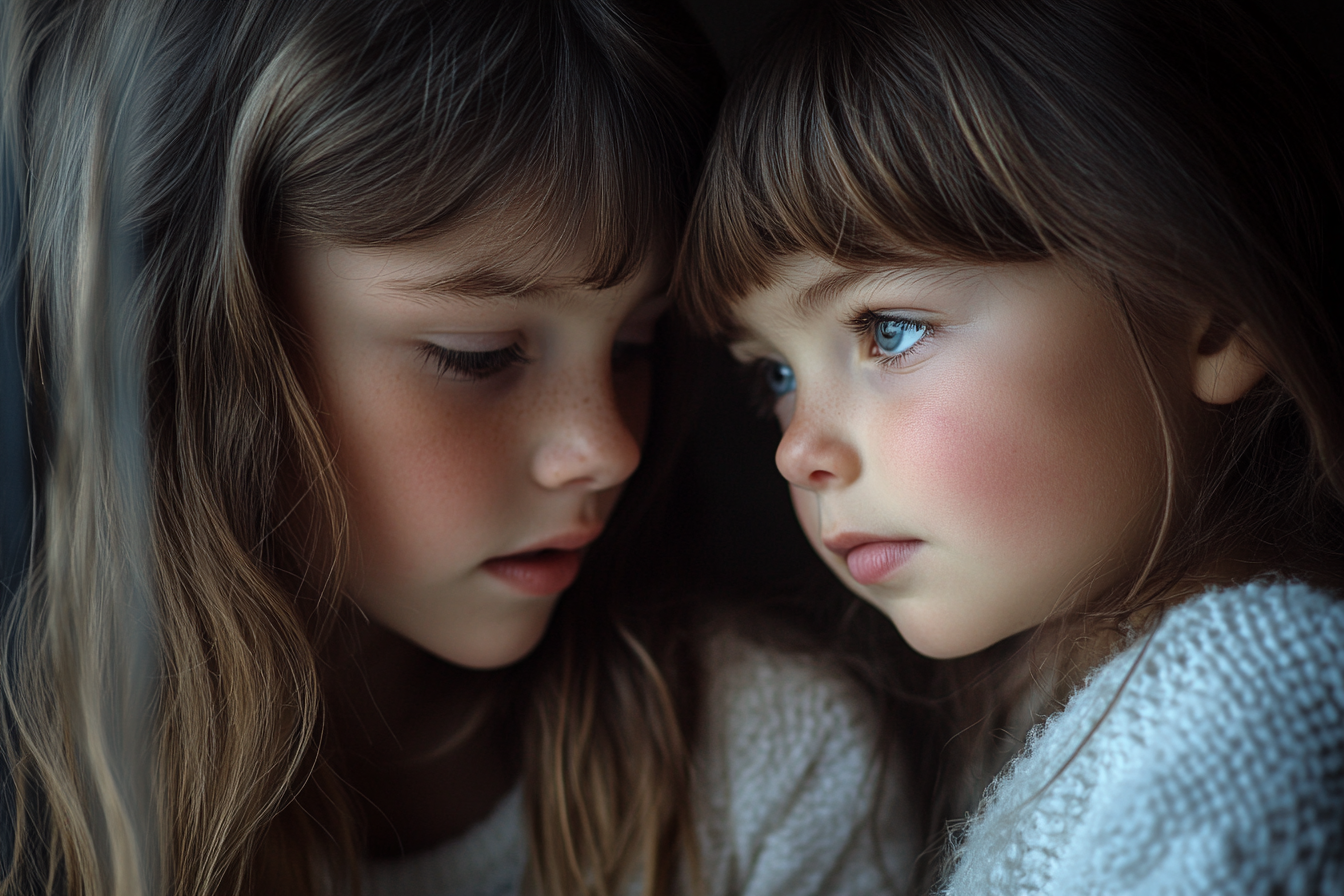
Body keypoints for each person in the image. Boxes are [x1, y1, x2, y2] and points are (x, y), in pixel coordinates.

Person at [0, 0, 913, 893]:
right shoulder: (43, 798)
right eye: (475, 356)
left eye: (634, 347)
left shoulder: (772, 772)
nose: (608, 446)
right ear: (202, 348)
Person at [676, 0, 1344, 892]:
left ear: (1213, 319)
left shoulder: (1254, 704)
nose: (799, 451)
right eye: (777, 378)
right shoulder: (1048, 708)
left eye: (892, 330)